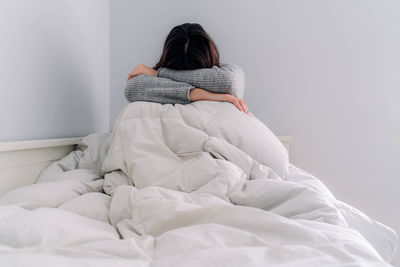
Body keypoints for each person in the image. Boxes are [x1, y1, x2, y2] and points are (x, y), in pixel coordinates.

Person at [124, 23, 248, 114]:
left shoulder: (158, 74)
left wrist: (159, 73)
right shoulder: (155, 80)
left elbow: (231, 82)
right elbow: (132, 88)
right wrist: (203, 94)